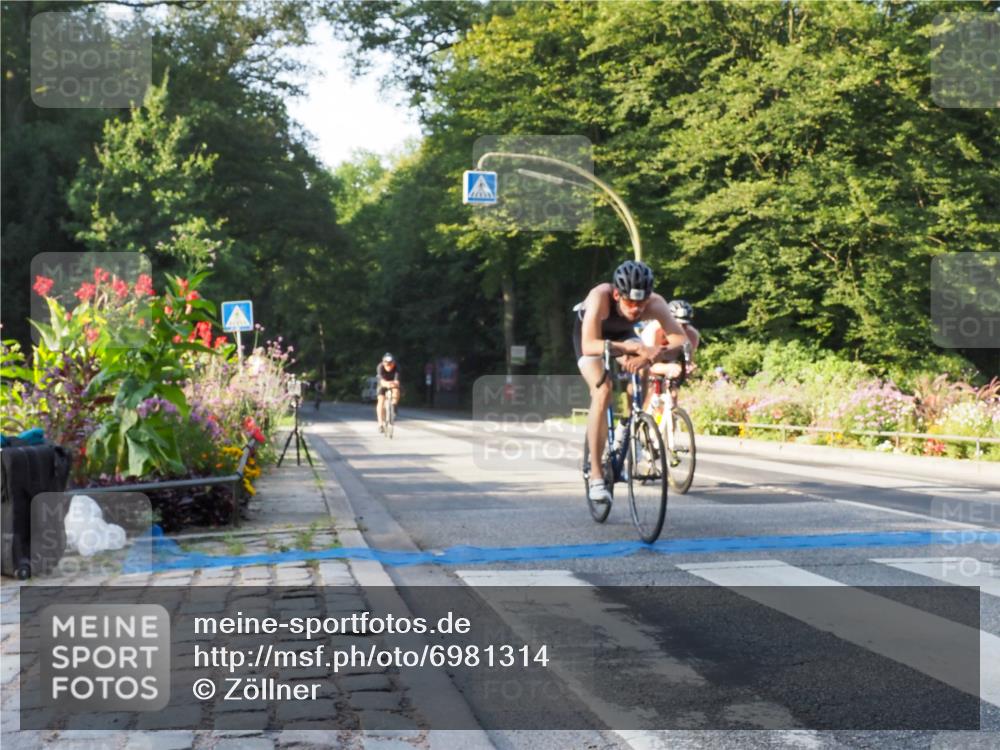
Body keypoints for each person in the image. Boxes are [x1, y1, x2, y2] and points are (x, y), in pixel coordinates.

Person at [572, 260, 687, 505]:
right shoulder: (599, 297)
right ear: (616, 294)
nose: (636, 310)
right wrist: (628, 348)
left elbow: (680, 338)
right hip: (593, 338)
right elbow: (589, 344)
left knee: (643, 367)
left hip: (624, 336)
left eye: (641, 304)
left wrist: (653, 351)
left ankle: (630, 423)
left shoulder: (656, 303)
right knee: (603, 390)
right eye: (630, 303)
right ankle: (595, 476)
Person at [640, 299, 700, 410]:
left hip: (671, 358)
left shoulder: (692, 335)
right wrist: (668, 367)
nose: (681, 329)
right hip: (649, 359)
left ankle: (673, 416)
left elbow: (688, 361)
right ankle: (644, 414)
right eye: (677, 324)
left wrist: (688, 368)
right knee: (650, 389)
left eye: (685, 325)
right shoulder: (653, 331)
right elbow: (648, 364)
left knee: (673, 394)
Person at [376, 353, 400, 432]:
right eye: (387, 364)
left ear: (393, 363)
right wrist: (387, 384)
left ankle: (394, 406)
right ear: (383, 363)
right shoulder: (380, 367)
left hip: (393, 383)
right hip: (383, 383)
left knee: (396, 391)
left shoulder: (397, 367)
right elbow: (381, 380)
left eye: (391, 364)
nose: (389, 366)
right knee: (381, 400)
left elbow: (397, 381)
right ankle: (380, 423)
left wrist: (393, 384)